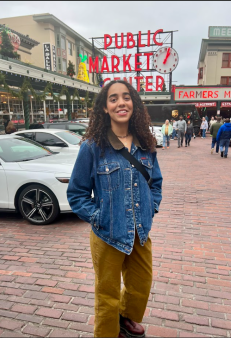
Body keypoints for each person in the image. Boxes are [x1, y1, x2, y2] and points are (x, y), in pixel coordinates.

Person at [67, 80, 163, 338]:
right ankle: (107, 333)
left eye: (126, 97)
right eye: (113, 98)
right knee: (106, 293)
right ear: (105, 108)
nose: (121, 102)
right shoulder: (93, 147)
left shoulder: (146, 144)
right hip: (107, 232)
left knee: (141, 283)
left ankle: (125, 317)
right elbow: (76, 193)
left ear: (134, 103)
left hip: (140, 231)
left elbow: (156, 183)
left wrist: (151, 207)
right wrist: (98, 216)